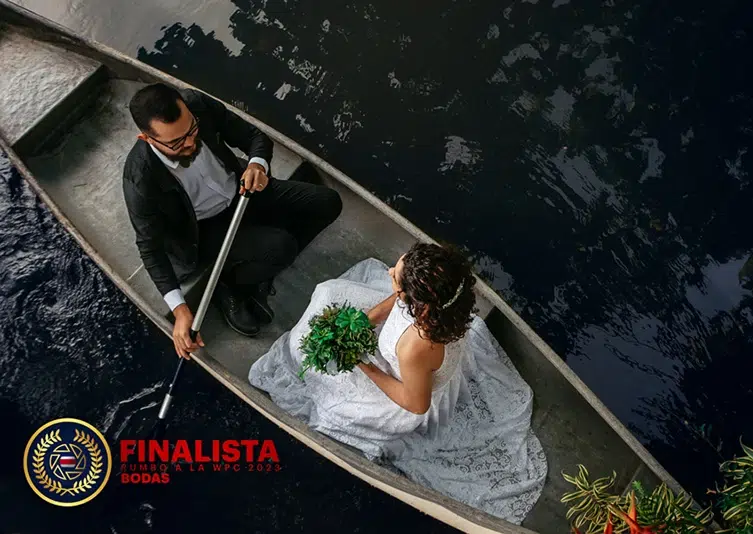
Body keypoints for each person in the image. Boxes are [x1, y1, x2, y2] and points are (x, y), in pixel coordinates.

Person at [248, 243, 548, 524]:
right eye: (396, 268)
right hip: (406, 355)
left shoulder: (418, 345)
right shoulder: (433, 304)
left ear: (418, 302)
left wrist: (361, 362)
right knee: (329, 294)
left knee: (326, 396)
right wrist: (362, 323)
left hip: (404, 394)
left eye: (396, 275)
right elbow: (394, 302)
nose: (389, 272)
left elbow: (416, 405)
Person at [122, 83, 342, 358]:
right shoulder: (140, 179)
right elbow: (149, 247)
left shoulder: (198, 104)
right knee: (281, 246)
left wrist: (256, 165)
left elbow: (254, 137)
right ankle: (232, 284)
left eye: (191, 130)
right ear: (146, 139)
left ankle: (260, 258)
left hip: (243, 190)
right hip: (202, 230)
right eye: (176, 142)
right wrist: (180, 310)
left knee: (328, 202)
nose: (190, 143)